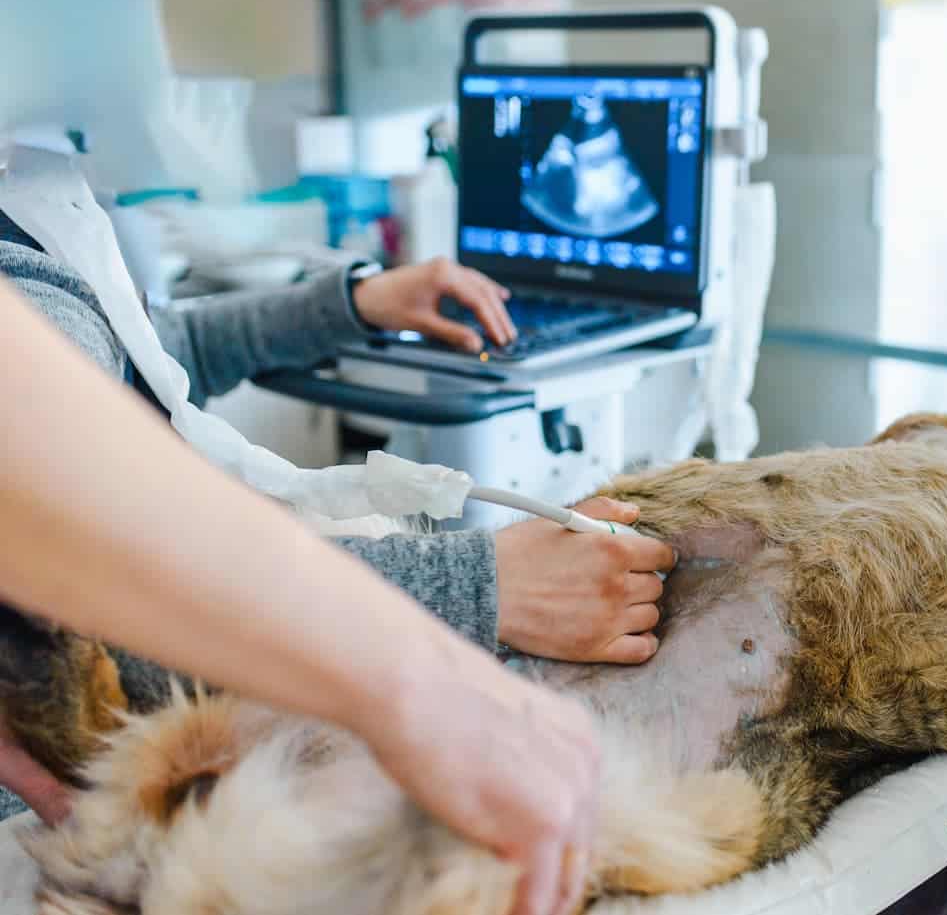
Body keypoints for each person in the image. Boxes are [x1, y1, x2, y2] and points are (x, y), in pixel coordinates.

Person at [0, 278, 597, 915]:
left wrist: (348, 307)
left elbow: (137, 354)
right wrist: (466, 601)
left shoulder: (35, 218)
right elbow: (81, 544)